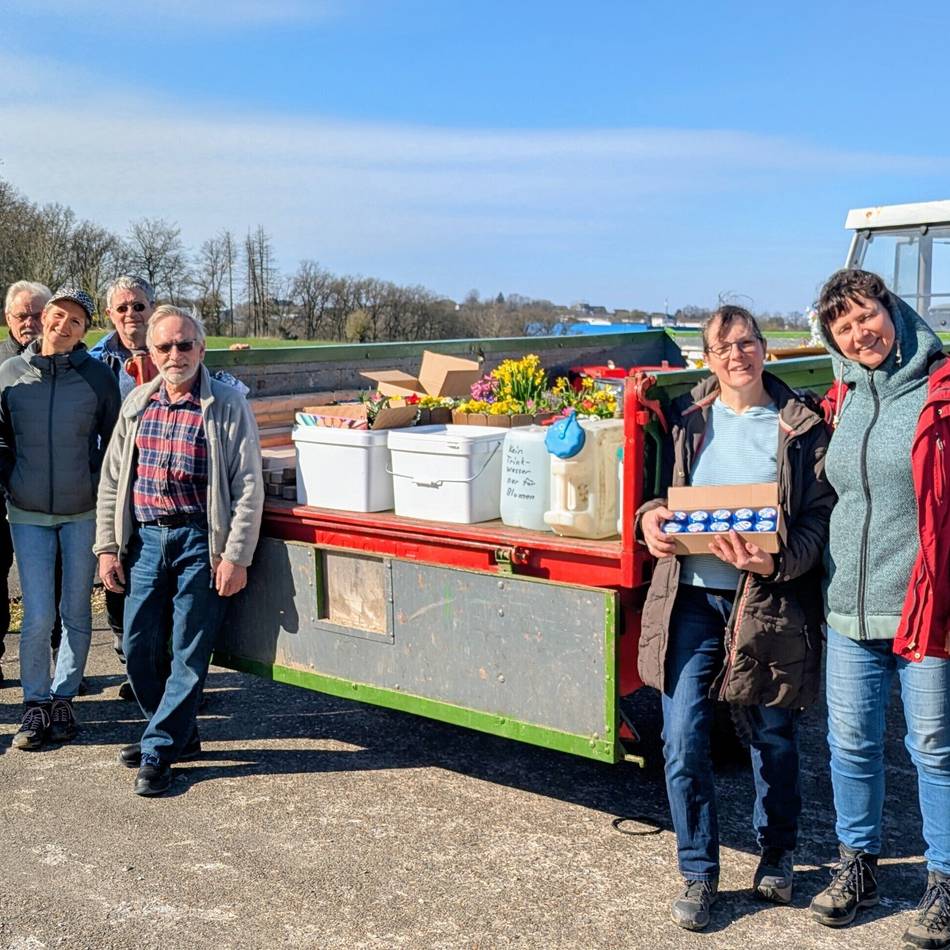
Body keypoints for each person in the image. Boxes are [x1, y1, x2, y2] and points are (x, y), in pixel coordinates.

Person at [638, 305, 834, 931]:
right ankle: (698, 869)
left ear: (763, 350)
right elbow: (653, 495)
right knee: (682, 737)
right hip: (693, 598)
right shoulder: (688, 422)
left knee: (770, 732)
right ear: (708, 356)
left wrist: (776, 561)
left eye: (747, 342)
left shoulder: (799, 426)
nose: (737, 355)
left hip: (767, 599)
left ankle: (776, 853)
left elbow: (818, 519)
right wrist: (651, 521)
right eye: (723, 347)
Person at [809, 269, 950, 950]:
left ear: (889, 309)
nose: (859, 333)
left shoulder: (941, 388)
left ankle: (945, 884)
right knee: (852, 746)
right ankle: (856, 866)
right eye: (843, 326)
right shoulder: (841, 399)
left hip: (923, 608)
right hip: (848, 608)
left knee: (933, 749)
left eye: (866, 315)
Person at [95, 305, 263, 797]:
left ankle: (160, 748)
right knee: (139, 650)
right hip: (146, 540)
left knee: (189, 650)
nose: (175, 354)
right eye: (164, 346)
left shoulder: (227, 403)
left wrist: (236, 555)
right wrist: (107, 547)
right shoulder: (138, 404)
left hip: (199, 542)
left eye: (185, 344)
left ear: (201, 348)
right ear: (150, 352)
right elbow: (111, 482)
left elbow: (249, 485)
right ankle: (176, 734)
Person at [0, 287, 120, 749]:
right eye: (58, 315)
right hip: (27, 513)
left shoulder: (98, 378)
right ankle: (34, 703)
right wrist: (12, 479)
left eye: (75, 321)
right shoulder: (10, 374)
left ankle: (64, 698)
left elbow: (114, 444)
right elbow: (0, 438)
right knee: (37, 613)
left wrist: (97, 488)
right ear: (43, 317)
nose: (63, 325)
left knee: (75, 610)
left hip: (82, 511)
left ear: (83, 331)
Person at [89, 275, 158, 700]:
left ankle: (168, 673)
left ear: (152, 308)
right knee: (117, 575)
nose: (131, 314)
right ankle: (131, 666)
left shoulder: (172, 346)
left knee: (163, 580)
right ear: (110, 315)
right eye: (122, 308)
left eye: (139, 306)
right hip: (116, 482)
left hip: (163, 482)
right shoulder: (97, 361)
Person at [0, 281, 51, 683]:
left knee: (50, 576)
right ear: (8, 320)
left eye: (38, 314)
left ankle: (59, 664)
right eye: (22, 315)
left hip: (49, 491)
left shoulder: (63, 358)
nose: (30, 322)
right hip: (2, 487)